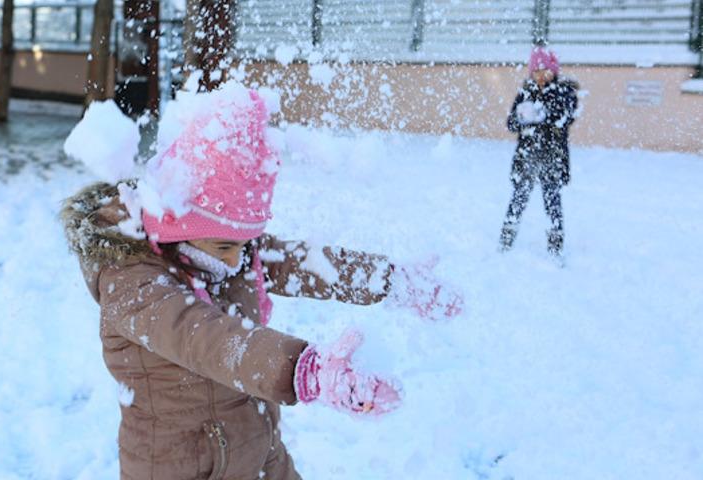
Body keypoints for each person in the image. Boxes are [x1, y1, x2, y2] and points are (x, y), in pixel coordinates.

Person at [61, 84, 461, 479]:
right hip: (181, 466)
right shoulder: (133, 283)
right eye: (224, 246)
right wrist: (305, 369)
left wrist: (388, 279)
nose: (237, 260)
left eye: (245, 243)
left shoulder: (223, 253)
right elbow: (207, 338)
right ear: (174, 226)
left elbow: (305, 263)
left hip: (258, 450)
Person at [500, 47, 579, 260]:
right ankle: (507, 236)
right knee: (519, 196)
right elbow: (511, 123)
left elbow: (565, 116)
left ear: (554, 71)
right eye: (536, 71)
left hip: (552, 157)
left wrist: (541, 114)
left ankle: (556, 241)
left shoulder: (564, 92)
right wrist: (522, 118)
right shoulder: (526, 92)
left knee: (552, 198)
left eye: (545, 71)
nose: (540, 76)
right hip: (527, 157)